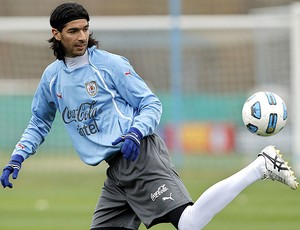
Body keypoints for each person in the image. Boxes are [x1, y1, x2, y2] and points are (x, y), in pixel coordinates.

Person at [0, 3, 298, 230]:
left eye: (85, 29)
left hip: (140, 154)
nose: (82, 36)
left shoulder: (110, 65)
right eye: (73, 31)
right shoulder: (52, 78)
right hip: (116, 172)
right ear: (56, 34)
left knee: (189, 223)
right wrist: (18, 157)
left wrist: (135, 133)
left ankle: (261, 165)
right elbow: (39, 121)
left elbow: (151, 104)